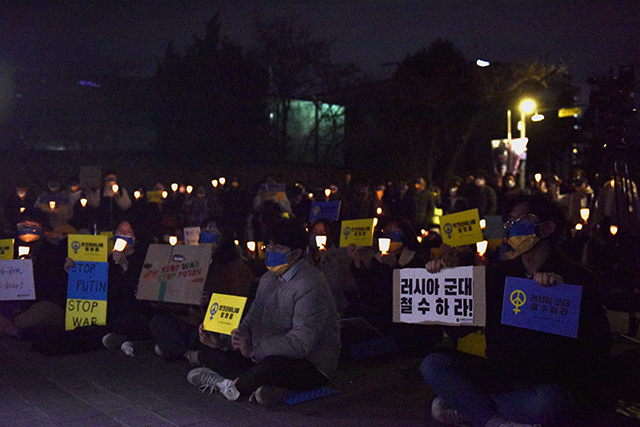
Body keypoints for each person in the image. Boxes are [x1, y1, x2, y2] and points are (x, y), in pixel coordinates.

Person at [421, 193, 613, 427]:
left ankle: (471, 409)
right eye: (509, 222)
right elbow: (460, 329)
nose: (512, 227)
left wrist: (564, 297)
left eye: (522, 219)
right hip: (500, 375)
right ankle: (494, 420)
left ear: (547, 227)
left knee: (547, 403)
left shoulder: (578, 277)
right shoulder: (497, 274)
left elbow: (599, 344)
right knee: (433, 364)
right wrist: (447, 280)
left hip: (546, 384)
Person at [186, 217, 340, 406]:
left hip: (310, 363)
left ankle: (228, 384)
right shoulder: (269, 278)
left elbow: (301, 344)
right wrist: (225, 341)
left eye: (278, 248)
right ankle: (261, 387)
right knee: (214, 352)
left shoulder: (310, 284)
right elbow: (253, 317)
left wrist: (254, 349)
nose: (271, 252)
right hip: (266, 351)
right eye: (269, 247)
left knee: (271, 368)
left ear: (296, 253)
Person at [0, 208, 67, 338]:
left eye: (33, 225)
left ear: (42, 227)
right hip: (8, 305)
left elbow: (54, 288)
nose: (28, 229)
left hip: (38, 305)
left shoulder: (52, 252)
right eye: (24, 224)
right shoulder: (7, 249)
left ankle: (12, 328)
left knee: (44, 310)